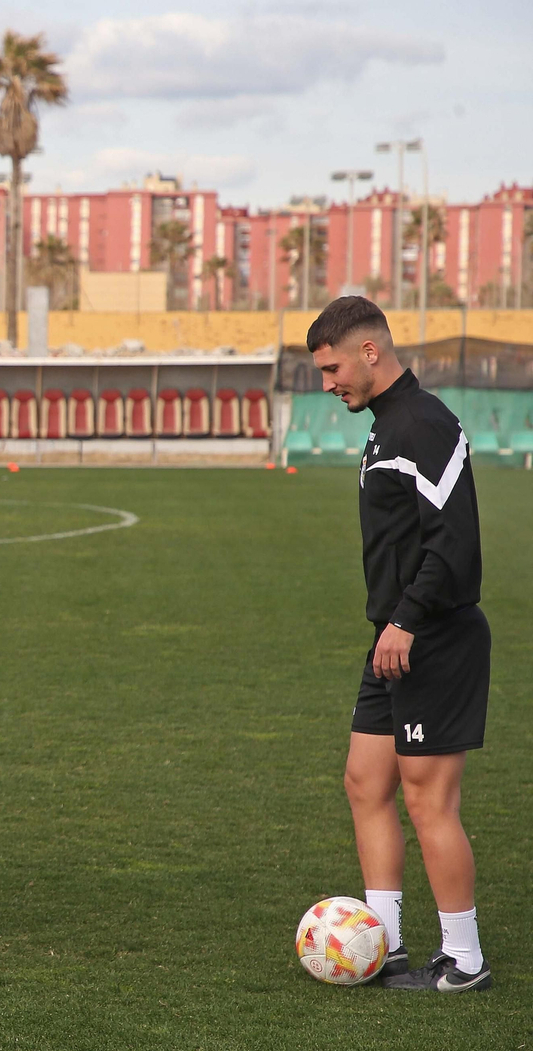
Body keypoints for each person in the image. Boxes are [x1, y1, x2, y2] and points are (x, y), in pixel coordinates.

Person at [309, 296, 492, 993]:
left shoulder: (423, 423)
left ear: (370, 351)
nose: (329, 383)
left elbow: (455, 542)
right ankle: (380, 946)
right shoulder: (388, 425)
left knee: (427, 800)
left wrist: (409, 619)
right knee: (365, 781)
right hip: (392, 637)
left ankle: (463, 959)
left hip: (432, 636)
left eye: (332, 367)